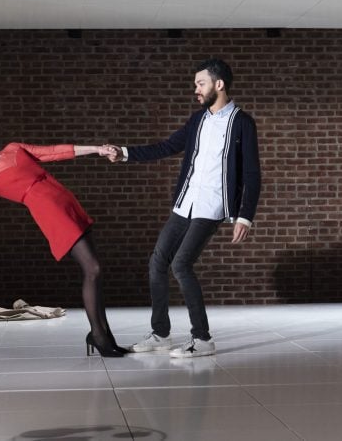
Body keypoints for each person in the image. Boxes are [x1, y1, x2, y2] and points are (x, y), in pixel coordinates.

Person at [105, 58, 261, 358]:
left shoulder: (242, 123)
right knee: (157, 261)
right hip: (185, 203)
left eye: (200, 84)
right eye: (195, 85)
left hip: (212, 206)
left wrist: (245, 215)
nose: (196, 90)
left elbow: (252, 173)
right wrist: (124, 153)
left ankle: (202, 340)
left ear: (219, 84)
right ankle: (161, 334)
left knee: (180, 264)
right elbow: (166, 146)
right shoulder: (197, 120)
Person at [0, 142, 127, 357]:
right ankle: (98, 335)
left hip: (65, 200)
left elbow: (55, 152)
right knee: (92, 269)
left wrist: (97, 149)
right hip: (52, 213)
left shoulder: (13, 148)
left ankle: (104, 334)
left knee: (96, 271)